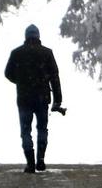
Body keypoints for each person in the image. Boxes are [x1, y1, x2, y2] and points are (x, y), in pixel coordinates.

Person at [4, 24, 62, 173]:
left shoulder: (17, 53)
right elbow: (55, 77)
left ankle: (30, 163)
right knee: (42, 128)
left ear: (26, 36)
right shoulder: (47, 53)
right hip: (42, 98)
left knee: (25, 130)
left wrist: (21, 81)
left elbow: (8, 73)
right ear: (38, 36)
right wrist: (58, 100)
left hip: (24, 98)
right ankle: (41, 159)